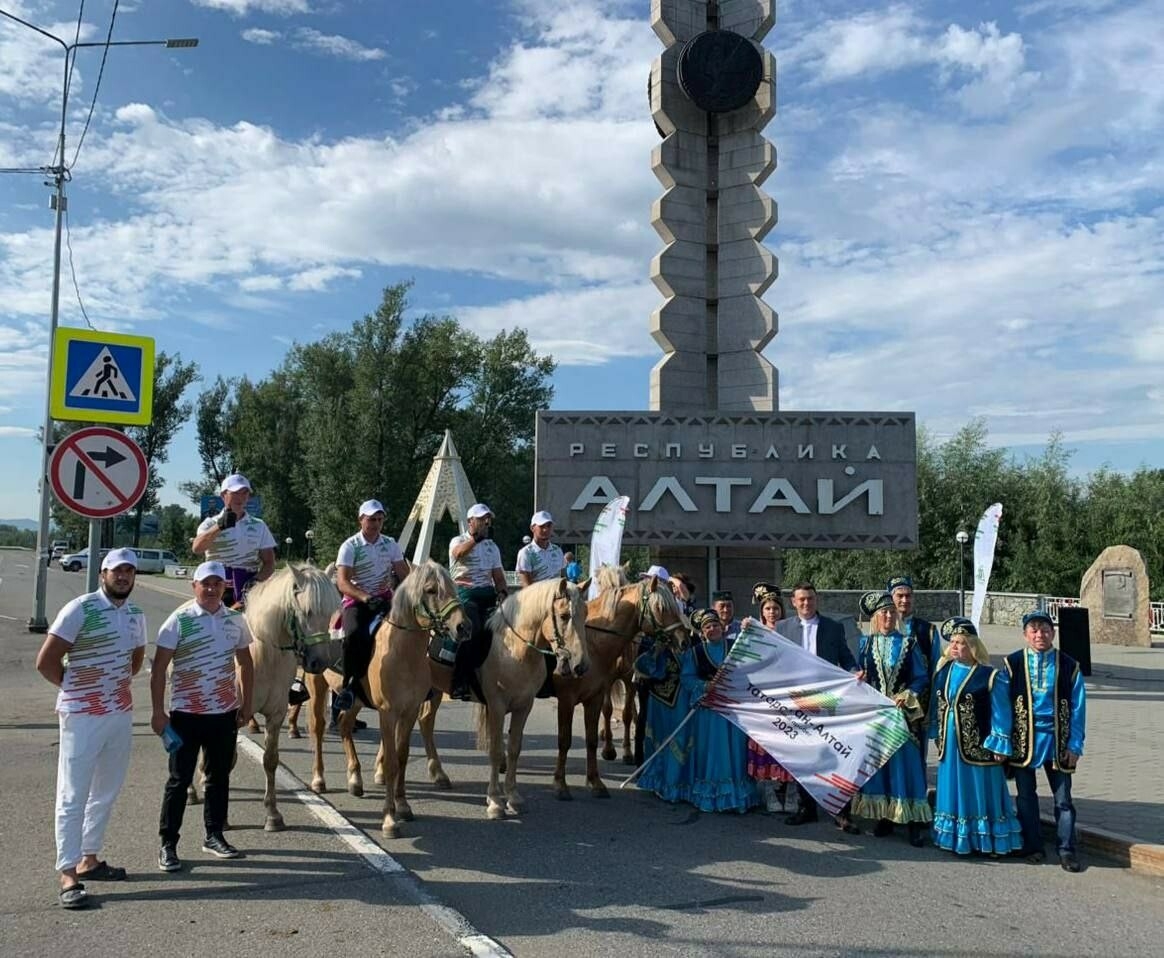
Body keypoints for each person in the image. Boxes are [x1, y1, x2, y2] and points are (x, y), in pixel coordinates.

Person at [36, 548, 146, 910]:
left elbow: (135, 659)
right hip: (81, 715)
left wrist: (111, 688)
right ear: (103, 574)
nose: (124, 577)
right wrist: (76, 688)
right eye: (117, 571)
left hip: (119, 713)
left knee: (106, 790)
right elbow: (46, 661)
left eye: (129, 571)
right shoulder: (80, 608)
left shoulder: (134, 614)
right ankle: (68, 873)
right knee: (73, 793)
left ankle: (89, 858)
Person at [152, 561, 255, 872]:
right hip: (186, 714)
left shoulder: (236, 620)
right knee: (179, 780)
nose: (211, 589)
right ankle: (168, 843)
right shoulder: (178, 620)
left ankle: (214, 835)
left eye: (217, 584)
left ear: (225, 587)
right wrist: (159, 712)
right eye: (205, 584)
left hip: (223, 713)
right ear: (193, 586)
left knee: (218, 777)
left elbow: (246, 664)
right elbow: (158, 670)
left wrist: (246, 705)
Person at [639, 609, 758, 812]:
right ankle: (714, 796)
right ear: (702, 633)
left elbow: (752, 662)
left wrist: (750, 628)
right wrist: (704, 687)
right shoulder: (696, 653)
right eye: (707, 627)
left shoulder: (735, 647)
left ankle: (736, 796)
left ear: (723, 627)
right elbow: (687, 679)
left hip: (734, 711)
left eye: (715, 625)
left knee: (735, 751)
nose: (712, 629)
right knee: (713, 753)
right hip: (709, 712)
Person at [929, 617, 1023, 857]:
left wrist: (1000, 741)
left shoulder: (989, 676)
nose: (955, 647)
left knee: (981, 790)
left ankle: (987, 839)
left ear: (973, 646)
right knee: (953, 787)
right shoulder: (944, 671)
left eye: (961, 643)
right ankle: (955, 837)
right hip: (950, 743)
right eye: (953, 642)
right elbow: (936, 704)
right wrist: (936, 732)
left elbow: (1001, 711)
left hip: (979, 744)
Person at [1004, 610, 1087, 872]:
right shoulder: (1012, 664)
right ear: (1025, 634)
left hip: (1058, 740)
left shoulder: (1069, 665)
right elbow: (1002, 706)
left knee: (1063, 799)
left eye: (1045, 629)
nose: (1040, 635)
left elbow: (1078, 708)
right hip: (1023, 740)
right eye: (1034, 630)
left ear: (1053, 633)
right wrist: (1003, 742)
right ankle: (1033, 845)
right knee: (1026, 797)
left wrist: (1075, 744)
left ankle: (1066, 849)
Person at [849, 591, 932, 846]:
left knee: (906, 766)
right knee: (881, 767)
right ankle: (887, 815)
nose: (887, 616)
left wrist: (907, 695)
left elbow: (921, 676)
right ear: (875, 617)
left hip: (901, 715)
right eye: (882, 613)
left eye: (890, 612)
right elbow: (856, 673)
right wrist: (858, 676)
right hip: (876, 717)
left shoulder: (909, 643)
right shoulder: (865, 644)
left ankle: (914, 822)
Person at [776, 581, 860, 830]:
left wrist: (855, 672)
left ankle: (841, 811)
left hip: (827, 699)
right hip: (797, 700)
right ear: (793, 602)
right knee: (804, 757)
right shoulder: (783, 627)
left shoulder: (833, 627)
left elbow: (845, 657)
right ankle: (807, 808)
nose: (806, 603)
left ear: (816, 599)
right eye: (801, 599)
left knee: (834, 754)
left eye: (810, 599)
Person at [332, 499, 411, 713]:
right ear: (361, 520)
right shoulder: (350, 546)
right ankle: (349, 685)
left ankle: (415, 680)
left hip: (385, 599)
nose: (376, 523)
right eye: (371, 519)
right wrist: (365, 597)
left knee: (411, 628)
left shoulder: (390, 544)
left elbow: (405, 574)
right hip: (357, 601)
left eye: (379, 519)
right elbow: (343, 582)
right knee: (354, 634)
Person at [744, 583, 795, 813]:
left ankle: (791, 791)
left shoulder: (793, 632)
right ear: (761, 612)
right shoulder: (753, 634)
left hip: (787, 697)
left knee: (790, 745)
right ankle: (768, 790)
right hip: (763, 698)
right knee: (765, 744)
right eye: (767, 609)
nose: (772, 612)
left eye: (776, 608)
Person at [448, 503, 508, 699]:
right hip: (465, 594)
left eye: (487, 519)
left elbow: (498, 577)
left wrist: (504, 593)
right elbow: (458, 554)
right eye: (481, 519)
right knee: (473, 629)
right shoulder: (458, 540)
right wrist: (476, 539)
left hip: (488, 594)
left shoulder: (492, 547)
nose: (485, 523)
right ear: (470, 522)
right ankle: (460, 680)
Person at [191, 473, 276, 607]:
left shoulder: (259, 525)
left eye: (245, 493)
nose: (240, 498)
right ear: (223, 495)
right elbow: (197, 548)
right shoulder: (209, 524)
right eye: (235, 493)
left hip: (249, 586)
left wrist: (255, 582)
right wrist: (219, 527)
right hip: (217, 585)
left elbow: (269, 562)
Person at [515, 510, 565, 586]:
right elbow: (527, 587)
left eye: (548, 526)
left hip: (558, 596)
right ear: (532, 528)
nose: (546, 530)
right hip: (538, 597)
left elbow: (563, 578)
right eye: (541, 526)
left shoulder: (558, 551)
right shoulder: (525, 553)